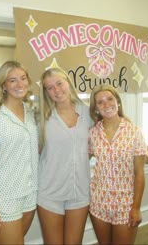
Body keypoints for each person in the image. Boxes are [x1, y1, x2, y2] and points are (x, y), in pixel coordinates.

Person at [0, 61, 39, 245]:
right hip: (3, 198)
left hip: (29, 193)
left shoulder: (29, 112)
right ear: (4, 85)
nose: (20, 84)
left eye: (23, 78)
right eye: (12, 80)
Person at [37, 67, 93, 245]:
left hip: (80, 191)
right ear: (46, 92)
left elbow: (99, 140)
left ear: (68, 82)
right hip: (50, 192)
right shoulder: (41, 118)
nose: (56, 90)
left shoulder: (88, 114)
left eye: (59, 83)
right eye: (50, 87)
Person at [88, 84, 146, 245]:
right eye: (100, 102)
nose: (106, 105)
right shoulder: (92, 133)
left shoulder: (134, 132)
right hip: (99, 201)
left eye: (110, 99)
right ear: (96, 108)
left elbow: (139, 173)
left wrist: (136, 207)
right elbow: (78, 161)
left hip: (125, 204)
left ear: (117, 101)